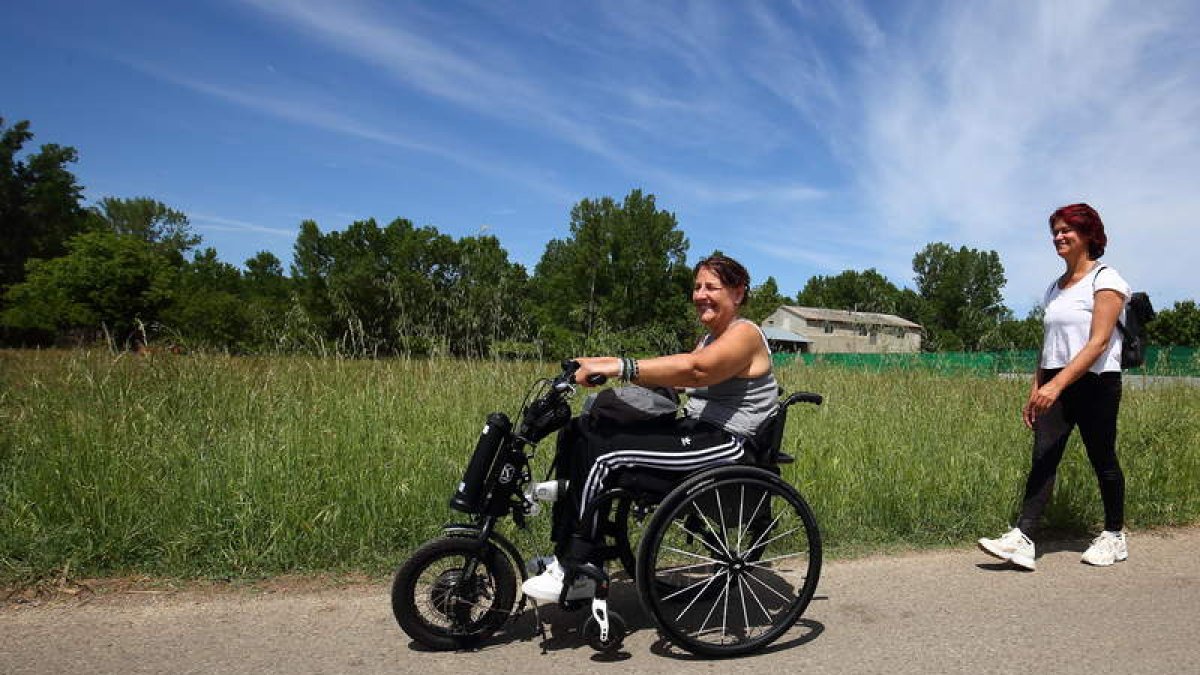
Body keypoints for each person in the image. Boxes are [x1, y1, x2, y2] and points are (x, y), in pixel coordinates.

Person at [521, 254, 779, 602]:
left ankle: (575, 565)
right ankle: (571, 550)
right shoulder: (710, 338)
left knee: (606, 459)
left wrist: (616, 366)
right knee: (584, 432)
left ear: (737, 293)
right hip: (698, 429)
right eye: (697, 286)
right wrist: (598, 365)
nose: (701, 294)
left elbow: (696, 371)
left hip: (729, 442)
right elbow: (680, 373)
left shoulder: (745, 334)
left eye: (711, 287)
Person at [978, 203, 1131, 571]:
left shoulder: (1107, 280)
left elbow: (1097, 344)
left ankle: (1114, 535)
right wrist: (1037, 387)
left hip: (1095, 382)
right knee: (1043, 458)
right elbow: (1047, 346)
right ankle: (1024, 537)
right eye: (1056, 231)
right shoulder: (1054, 287)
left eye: (1067, 230)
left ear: (1089, 235)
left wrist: (1057, 384)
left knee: (1103, 458)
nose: (1059, 237)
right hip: (1054, 382)